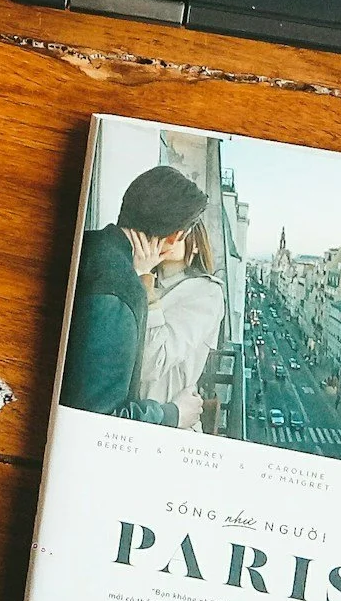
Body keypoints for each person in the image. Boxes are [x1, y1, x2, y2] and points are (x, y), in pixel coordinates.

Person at [61, 164, 208, 424]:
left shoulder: (84, 243)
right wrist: (171, 414)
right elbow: (98, 418)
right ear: (176, 236)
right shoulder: (124, 288)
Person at [138, 224, 223, 431]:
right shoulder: (138, 278)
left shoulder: (206, 291)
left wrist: (144, 281)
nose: (168, 236)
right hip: (135, 414)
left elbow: (153, 362)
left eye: (180, 231)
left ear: (195, 245)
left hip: (169, 422)